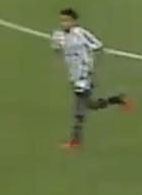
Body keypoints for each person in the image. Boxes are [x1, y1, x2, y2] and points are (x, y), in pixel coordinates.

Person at [51, 8, 130, 151]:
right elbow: (57, 50)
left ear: (73, 21)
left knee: (79, 109)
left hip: (85, 76)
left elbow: (98, 46)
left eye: (67, 20)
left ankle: (75, 140)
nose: (64, 23)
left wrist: (89, 67)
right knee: (90, 105)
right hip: (74, 76)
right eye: (62, 20)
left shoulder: (81, 34)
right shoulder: (58, 35)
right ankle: (118, 100)